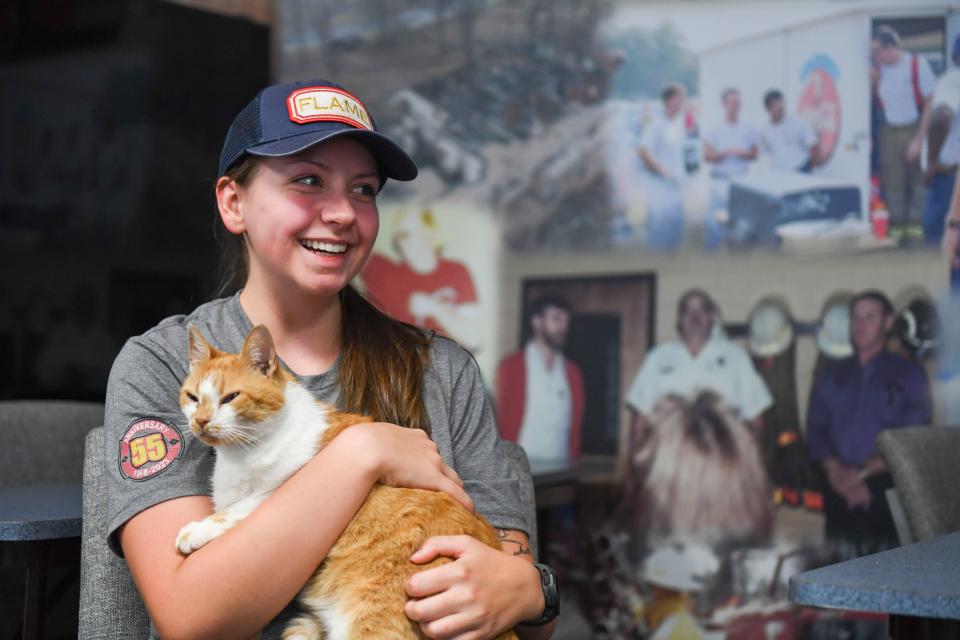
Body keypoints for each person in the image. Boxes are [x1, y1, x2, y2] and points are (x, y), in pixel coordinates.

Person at [103, 79, 557, 639]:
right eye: (309, 181)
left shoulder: (441, 369)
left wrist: (533, 590)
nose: (343, 213)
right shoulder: (164, 364)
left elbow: (514, 604)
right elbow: (191, 619)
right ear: (233, 202)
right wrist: (359, 454)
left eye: (364, 190)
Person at [806, 290, 932, 556]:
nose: (860, 325)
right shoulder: (831, 374)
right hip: (837, 488)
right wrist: (836, 473)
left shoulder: (909, 373)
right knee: (836, 577)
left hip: (885, 490)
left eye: (870, 317)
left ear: (888, 323)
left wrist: (861, 473)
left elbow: (913, 436)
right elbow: (816, 429)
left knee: (886, 576)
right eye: (855, 317)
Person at [625, 289, 773, 450]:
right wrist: (637, 455)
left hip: (722, 455)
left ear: (711, 318)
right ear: (679, 320)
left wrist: (753, 459)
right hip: (668, 455)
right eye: (688, 310)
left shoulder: (736, 357)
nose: (695, 315)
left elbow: (756, 416)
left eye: (702, 309)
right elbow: (640, 415)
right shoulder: (657, 358)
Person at [362, 207, 482, 351]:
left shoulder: (457, 271)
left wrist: (435, 308)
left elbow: (473, 339)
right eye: (403, 235)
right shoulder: (386, 272)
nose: (409, 241)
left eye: (417, 232)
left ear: (431, 233)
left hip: (451, 364)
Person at [495, 295, 585, 460]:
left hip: (560, 473)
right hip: (519, 472)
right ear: (536, 322)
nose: (563, 327)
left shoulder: (572, 373)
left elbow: (575, 428)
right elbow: (496, 424)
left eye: (566, 321)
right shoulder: (509, 367)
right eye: (557, 319)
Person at [871, 25, 935, 240]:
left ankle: (917, 229)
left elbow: (929, 103)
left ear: (890, 48)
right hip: (888, 130)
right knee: (892, 181)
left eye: (877, 51)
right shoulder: (877, 70)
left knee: (917, 180)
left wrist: (919, 139)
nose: (875, 56)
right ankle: (897, 230)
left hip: (913, 126)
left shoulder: (916, 64)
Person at [907, 35, 960, 246]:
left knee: (938, 244)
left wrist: (931, 162)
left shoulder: (953, 79)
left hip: (948, 177)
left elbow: (940, 118)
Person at [704, 87, 759, 249]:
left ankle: (736, 254)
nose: (735, 105)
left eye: (738, 102)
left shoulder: (748, 127)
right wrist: (727, 152)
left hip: (741, 180)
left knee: (741, 221)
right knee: (715, 220)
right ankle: (711, 254)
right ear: (724, 104)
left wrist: (742, 153)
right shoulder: (714, 128)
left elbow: (754, 154)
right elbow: (708, 156)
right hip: (720, 180)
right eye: (732, 102)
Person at [637, 83, 689, 251]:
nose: (682, 103)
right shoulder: (656, 124)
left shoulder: (680, 126)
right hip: (659, 185)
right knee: (659, 227)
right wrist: (661, 171)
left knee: (675, 226)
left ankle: (671, 264)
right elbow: (644, 151)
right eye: (679, 99)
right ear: (669, 101)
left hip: (676, 184)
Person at [759, 88, 819, 173]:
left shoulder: (798, 122)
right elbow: (766, 154)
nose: (780, 107)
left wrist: (810, 168)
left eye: (781, 103)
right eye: (775, 105)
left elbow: (813, 145)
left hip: (802, 169)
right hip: (780, 173)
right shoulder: (764, 131)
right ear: (768, 108)